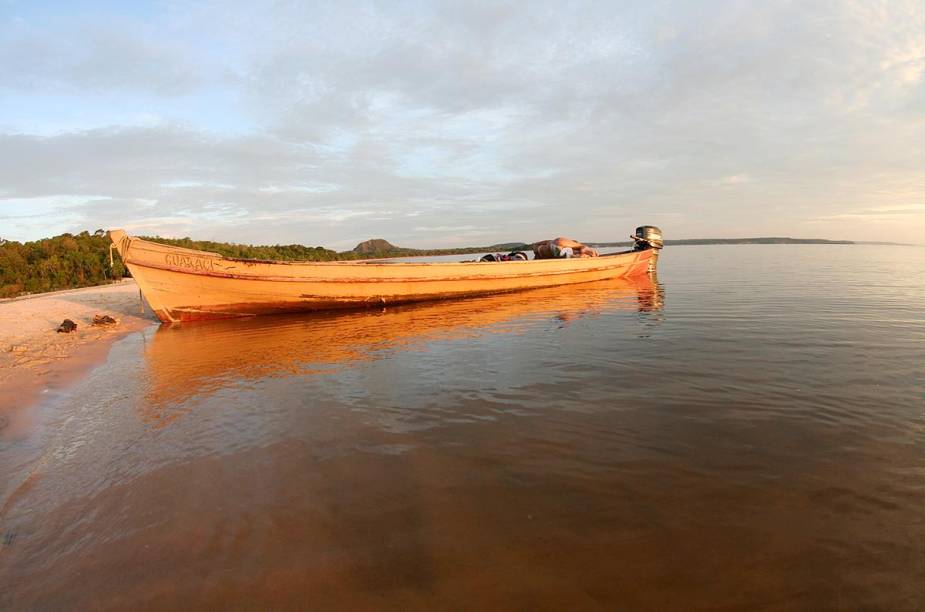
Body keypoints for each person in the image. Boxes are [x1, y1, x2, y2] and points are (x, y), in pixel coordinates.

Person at [532, 237, 599, 259]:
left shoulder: (539, 248)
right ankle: (578, 251)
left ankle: (579, 251)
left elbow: (559, 241)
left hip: (552, 249)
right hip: (553, 249)